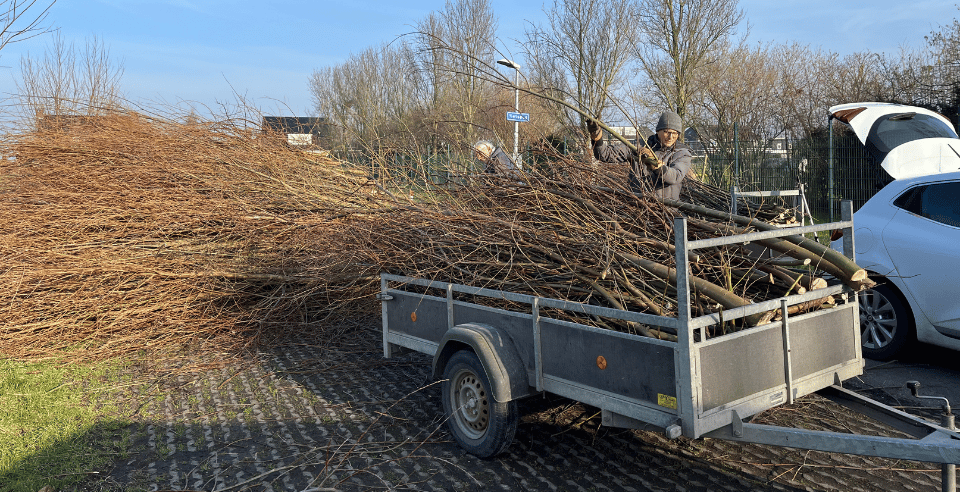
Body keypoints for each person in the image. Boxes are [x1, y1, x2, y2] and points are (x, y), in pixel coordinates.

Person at [587, 110, 692, 200]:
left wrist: (655, 165)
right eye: (667, 132)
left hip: (667, 210)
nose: (670, 137)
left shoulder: (681, 153)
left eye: (675, 133)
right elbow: (603, 155)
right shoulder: (638, 147)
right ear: (658, 131)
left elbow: (675, 176)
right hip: (636, 206)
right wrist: (597, 138)